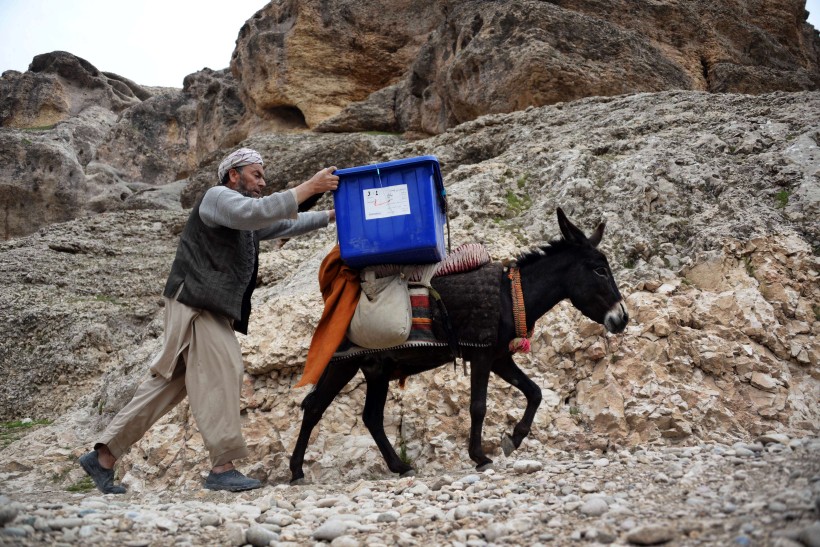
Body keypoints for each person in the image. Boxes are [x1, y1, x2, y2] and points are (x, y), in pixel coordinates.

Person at [79, 148, 339, 493]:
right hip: (197, 303)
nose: (262, 182)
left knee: (167, 385)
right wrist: (311, 185)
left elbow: (277, 223)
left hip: (199, 303)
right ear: (234, 175)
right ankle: (222, 467)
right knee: (225, 370)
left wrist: (330, 216)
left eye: (263, 177)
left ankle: (103, 457)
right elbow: (259, 211)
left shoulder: (240, 218)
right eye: (256, 175)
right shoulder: (219, 198)